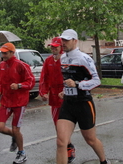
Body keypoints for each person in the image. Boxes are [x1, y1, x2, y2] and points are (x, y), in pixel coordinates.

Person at [57, 29, 110, 164]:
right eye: (62, 40)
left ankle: (103, 161)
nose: (63, 43)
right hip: (68, 104)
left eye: (67, 40)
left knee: (90, 139)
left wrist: (77, 84)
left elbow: (96, 81)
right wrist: (65, 90)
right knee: (61, 142)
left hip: (84, 103)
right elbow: (68, 79)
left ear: (75, 41)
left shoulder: (84, 58)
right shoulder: (63, 58)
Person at [0, 42, 35, 164]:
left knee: (16, 129)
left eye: (5, 53)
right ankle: (15, 137)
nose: (3, 55)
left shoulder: (21, 65)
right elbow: (0, 82)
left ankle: (22, 153)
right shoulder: (1, 66)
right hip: (6, 101)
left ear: (12, 53)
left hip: (19, 102)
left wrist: (19, 85)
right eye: (2, 53)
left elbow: (31, 82)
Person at [39, 37, 75, 163]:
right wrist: (43, 92)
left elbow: (72, 76)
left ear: (61, 47)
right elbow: (44, 77)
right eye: (52, 47)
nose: (53, 49)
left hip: (66, 97)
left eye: (56, 47)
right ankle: (68, 145)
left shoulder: (67, 60)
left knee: (63, 127)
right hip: (54, 97)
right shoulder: (48, 61)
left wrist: (66, 90)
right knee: (57, 126)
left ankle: (67, 147)